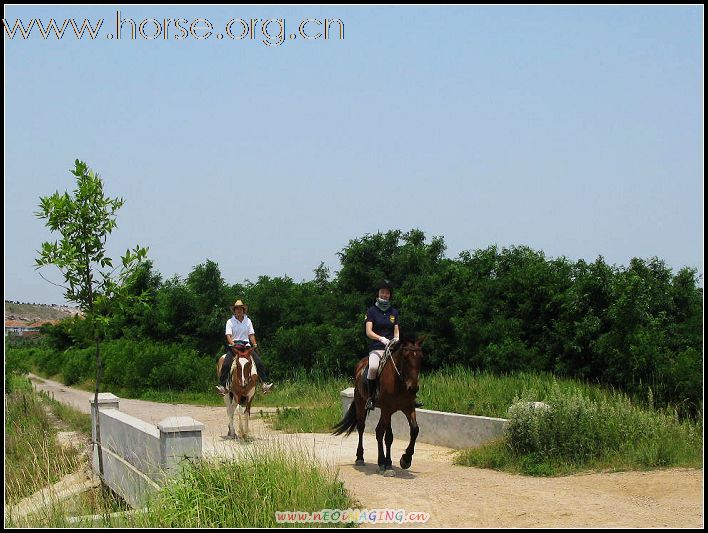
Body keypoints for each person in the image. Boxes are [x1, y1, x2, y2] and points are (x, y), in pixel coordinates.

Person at [363, 280, 423, 411]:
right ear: (378, 293)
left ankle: (412, 397)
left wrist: (396, 339)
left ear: (390, 295)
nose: (385, 295)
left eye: (387, 293)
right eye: (382, 292)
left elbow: (396, 330)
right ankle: (371, 398)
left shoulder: (393, 312)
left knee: (408, 364)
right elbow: (368, 332)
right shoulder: (371, 311)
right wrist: (381, 338)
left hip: (392, 346)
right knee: (373, 367)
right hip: (377, 346)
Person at [217, 300, 274, 395]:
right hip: (235, 347)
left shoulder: (248, 321)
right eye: (237, 309)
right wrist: (233, 344)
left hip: (246, 347)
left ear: (243, 310)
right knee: (226, 364)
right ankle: (222, 386)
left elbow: (251, 334)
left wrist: (254, 344)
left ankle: (264, 384)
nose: (239, 311)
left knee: (259, 362)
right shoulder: (230, 321)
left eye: (241, 309)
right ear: (234, 311)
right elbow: (228, 335)